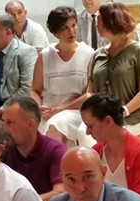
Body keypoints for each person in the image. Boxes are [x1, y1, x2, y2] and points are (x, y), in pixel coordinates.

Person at [31, 6, 95, 147]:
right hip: (48, 113)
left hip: (76, 112)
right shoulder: (45, 56)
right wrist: (39, 107)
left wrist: (61, 108)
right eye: (64, 28)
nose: (71, 31)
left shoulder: (89, 54)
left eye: (73, 25)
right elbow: (35, 90)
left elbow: (89, 94)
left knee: (56, 125)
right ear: (55, 32)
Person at [87, 2, 140, 135]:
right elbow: (90, 91)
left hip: (131, 118)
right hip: (101, 119)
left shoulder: (139, 51)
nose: (96, 24)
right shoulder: (97, 54)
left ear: (113, 20)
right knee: (84, 134)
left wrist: (124, 111)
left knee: (108, 135)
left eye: (100, 19)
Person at [2, 96, 66, 201]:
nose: (4, 128)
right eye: (3, 122)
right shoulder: (3, 150)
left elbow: (61, 193)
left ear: (30, 124)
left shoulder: (55, 150)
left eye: (10, 122)